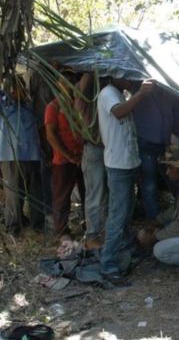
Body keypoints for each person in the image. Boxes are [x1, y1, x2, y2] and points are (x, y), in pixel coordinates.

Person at [97, 76, 154, 285]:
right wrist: (140, 95)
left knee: (126, 211)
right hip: (118, 164)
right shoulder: (108, 94)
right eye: (126, 75)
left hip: (128, 162)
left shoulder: (120, 93)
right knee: (117, 215)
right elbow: (119, 111)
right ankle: (108, 265)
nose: (131, 79)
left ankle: (127, 249)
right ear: (113, 75)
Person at [0, 75, 44, 233]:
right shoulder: (1, 106)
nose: (22, 90)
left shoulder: (30, 106)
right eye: (18, 87)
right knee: (14, 194)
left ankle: (38, 225)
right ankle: (14, 226)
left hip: (33, 155)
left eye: (22, 86)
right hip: (10, 156)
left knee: (36, 192)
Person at [133, 85, 179, 219]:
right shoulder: (144, 86)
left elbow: (177, 119)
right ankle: (157, 220)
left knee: (161, 180)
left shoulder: (147, 86)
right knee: (151, 183)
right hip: (150, 140)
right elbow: (177, 120)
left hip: (161, 141)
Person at [44, 74, 85, 236]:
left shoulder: (78, 106)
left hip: (82, 157)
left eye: (70, 83)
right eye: (64, 83)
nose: (68, 86)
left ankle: (89, 226)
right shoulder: (53, 107)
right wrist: (69, 156)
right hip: (63, 160)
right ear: (59, 85)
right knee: (62, 197)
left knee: (87, 194)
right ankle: (62, 231)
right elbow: (51, 136)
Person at [73, 73, 107, 249]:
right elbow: (86, 82)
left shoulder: (90, 93)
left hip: (100, 147)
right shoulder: (85, 90)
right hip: (94, 147)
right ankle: (92, 236)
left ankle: (99, 233)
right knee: (95, 193)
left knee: (101, 193)